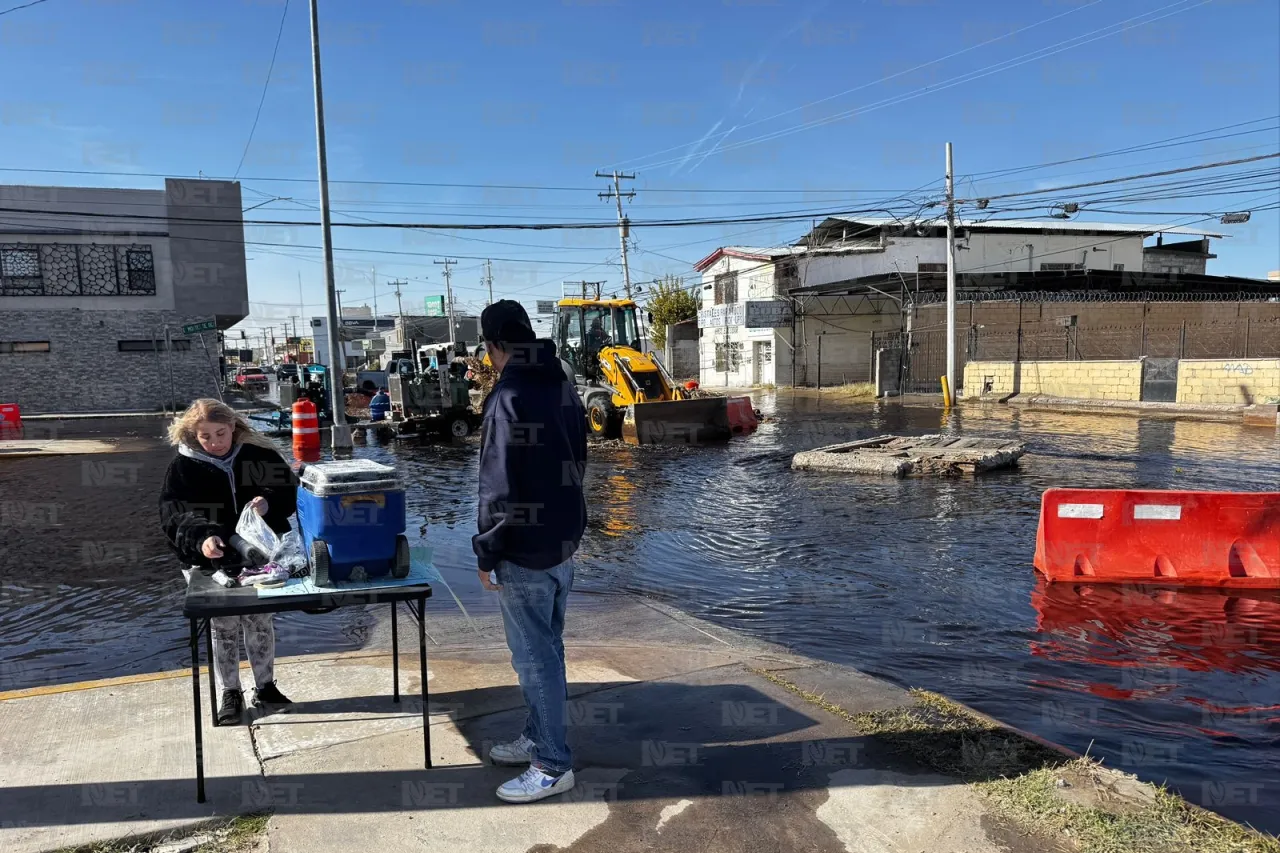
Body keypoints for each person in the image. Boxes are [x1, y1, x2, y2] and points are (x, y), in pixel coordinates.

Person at [474, 300, 587, 804]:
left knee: (534, 658)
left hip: (523, 550)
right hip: (563, 539)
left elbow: (497, 488)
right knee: (549, 648)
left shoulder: (508, 396)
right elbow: (578, 457)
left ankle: (551, 763)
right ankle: (538, 735)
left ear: (494, 345)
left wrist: (486, 551)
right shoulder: (560, 383)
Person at [158, 398, 298, 725]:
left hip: (261, 557)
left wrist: (269, 501)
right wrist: (203, 538)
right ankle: (230, 692)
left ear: (233, 427)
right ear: (194, 435)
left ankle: (265, 687)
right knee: (224, 625)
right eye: (206, 436)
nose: (215, 443)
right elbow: (174, 515)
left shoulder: (258, 455)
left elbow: (289, 491)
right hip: (212, 560)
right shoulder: (183, 468)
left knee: (260, 621)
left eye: (221, 434)